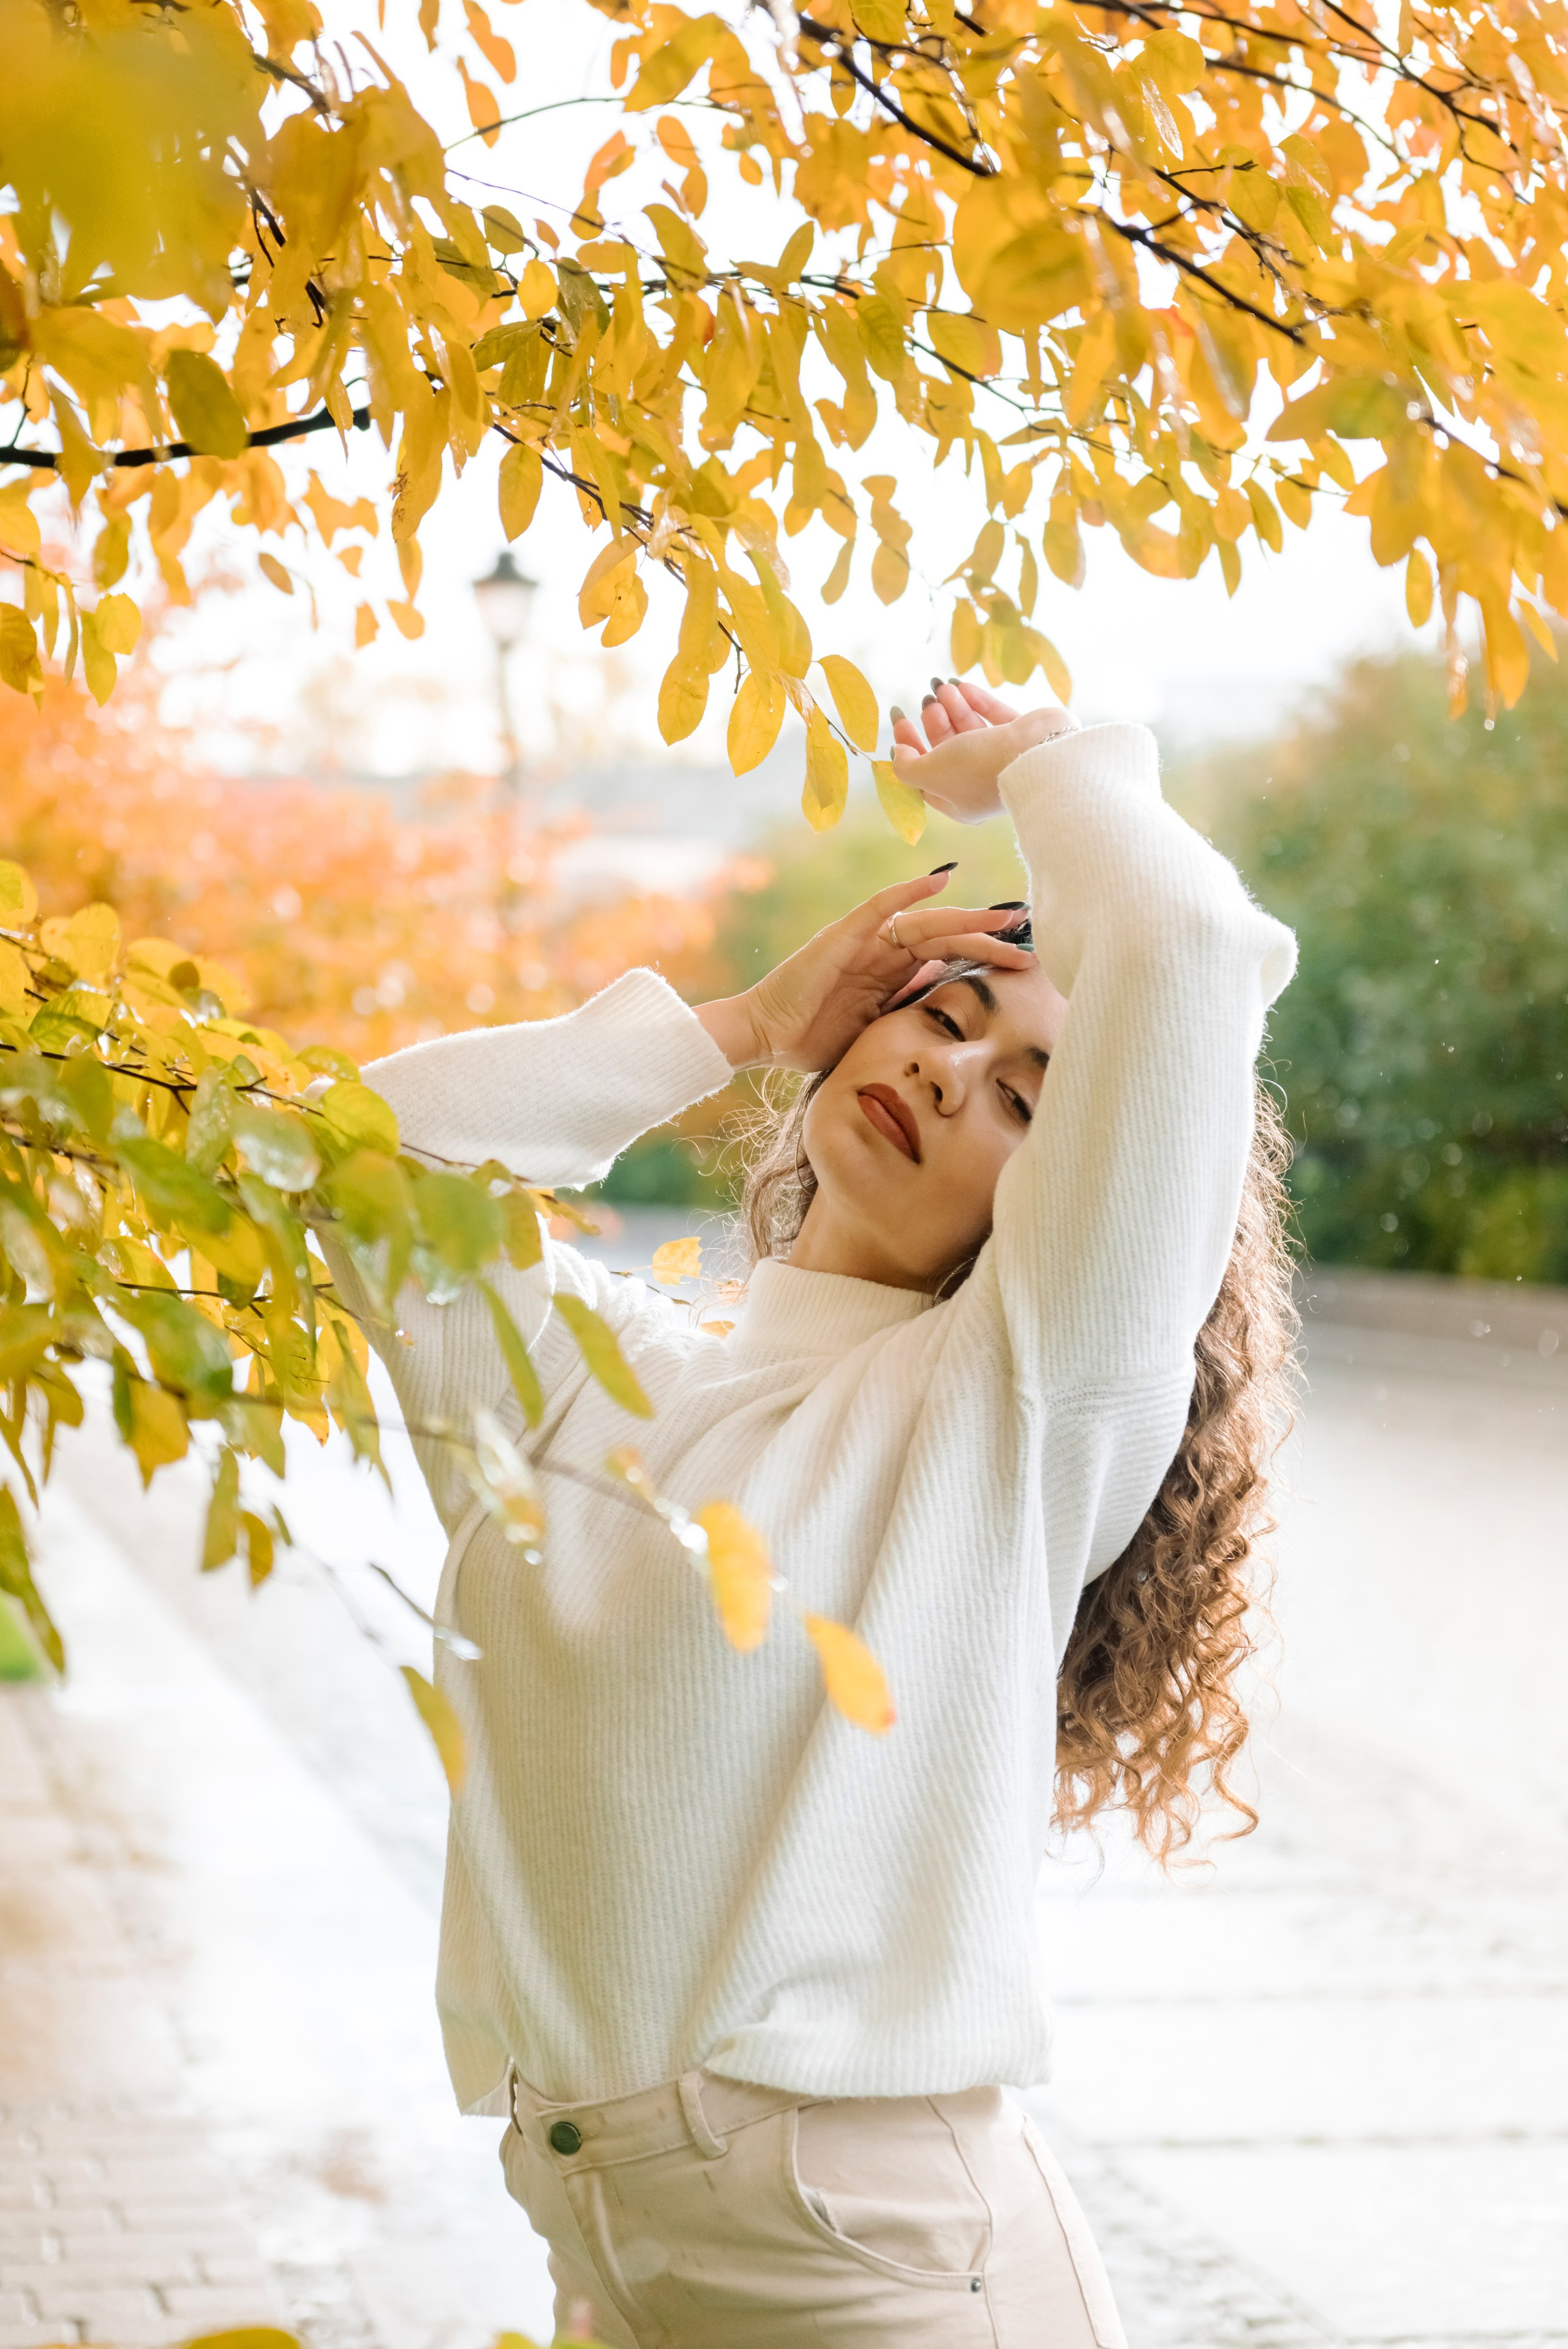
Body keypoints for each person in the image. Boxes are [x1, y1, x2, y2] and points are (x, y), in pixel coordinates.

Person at [327, 679, 1298, 2347]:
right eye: (952, 1005)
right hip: (609, 2249)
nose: (949, 1068)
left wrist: (1054, 770)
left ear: (1062, 1198)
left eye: (1026, 1096)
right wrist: (746, 1022)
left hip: (878, 2274)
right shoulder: (592, 1379)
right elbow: (348, 1155)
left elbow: (1191, 947)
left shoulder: (1015, 1405)